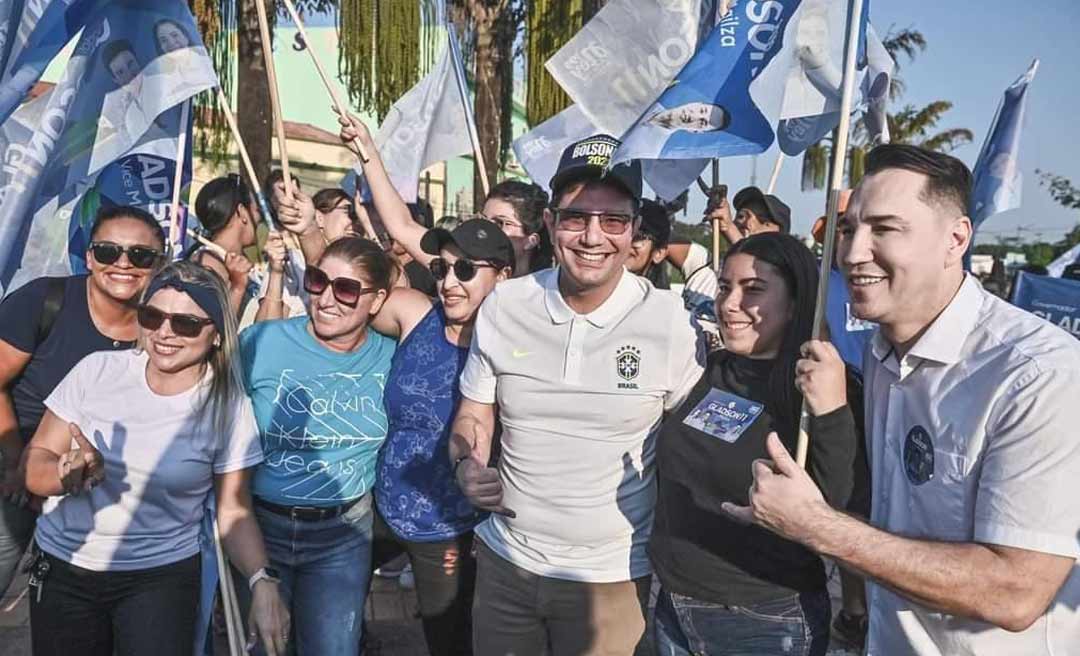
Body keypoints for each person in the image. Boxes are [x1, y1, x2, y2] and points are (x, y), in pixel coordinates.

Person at [724, 144, 1080, 655]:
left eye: (885, 229)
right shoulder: (879, 352)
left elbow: (1016, 592)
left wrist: (815, 525)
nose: (852, 253)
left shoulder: (1035, 374)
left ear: (956, 239)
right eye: (848, 230)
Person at [449, 134, 705, 656]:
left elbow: (695, 449)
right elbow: (473, 415)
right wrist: (465, 465)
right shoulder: (504, 305)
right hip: (505, 567)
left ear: (635, 231)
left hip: (610, 581)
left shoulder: (672, 323)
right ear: (549, 224)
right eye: (575, 217)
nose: (593, 236)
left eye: (613, 220)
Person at [21, 261, 288, 656]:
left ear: (216, 334)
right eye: (152, 316)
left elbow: (233, 509)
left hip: (159, 579)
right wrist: (64, 474)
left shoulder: (228, 405)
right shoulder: (96, 370)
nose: (164, 332)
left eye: (185, 324)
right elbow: (35, 463)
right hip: (64, 569)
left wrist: (261, 580)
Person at [649, 232, 862, 656]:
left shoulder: (823, 389)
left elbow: (841, 507)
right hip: (673, 607)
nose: (730, 304)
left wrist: (834, 412)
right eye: (726, 286)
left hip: (764, 620)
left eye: (754, 290)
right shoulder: (707, 368)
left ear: (797, 302)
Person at [238, 237, 396, 655]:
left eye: (345, 289)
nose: (326, 298)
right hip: (262, 529)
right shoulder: (262, 343)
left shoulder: (395, 356)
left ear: (377, 300)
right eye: (317, 280)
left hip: (343, 535)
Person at [0, 206, 164, 596]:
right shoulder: (45, 299)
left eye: (140, 256)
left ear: (160, 262)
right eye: (108, 252)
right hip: (17, 478)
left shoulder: (163, 323)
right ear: (89, 256)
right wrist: (17, 465)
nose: (123, 264)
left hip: (103, 493)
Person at [369, 220, 515, 656]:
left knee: (450, 643)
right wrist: (307, 235)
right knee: (328, 616)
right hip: (381, 508)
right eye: (442, 269)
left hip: (452, 528)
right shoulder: (417, 313)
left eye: (466, 270)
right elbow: (343, 297)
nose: (449, 282)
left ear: (503, 276)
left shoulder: (518, 345)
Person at [337, 114, 551, 277]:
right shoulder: (459, 270)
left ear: (530, 240)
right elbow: (402, 225)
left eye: (501, 223)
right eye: (484, 220)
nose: (487, 229)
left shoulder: (544, 293)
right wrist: (368, 150)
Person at [191, 175, 299, 326]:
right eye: (258, 211)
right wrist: (237, 287)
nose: (260, 219)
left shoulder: (232, 260)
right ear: (242, 212)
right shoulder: (208, 263)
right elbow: (209, 330)